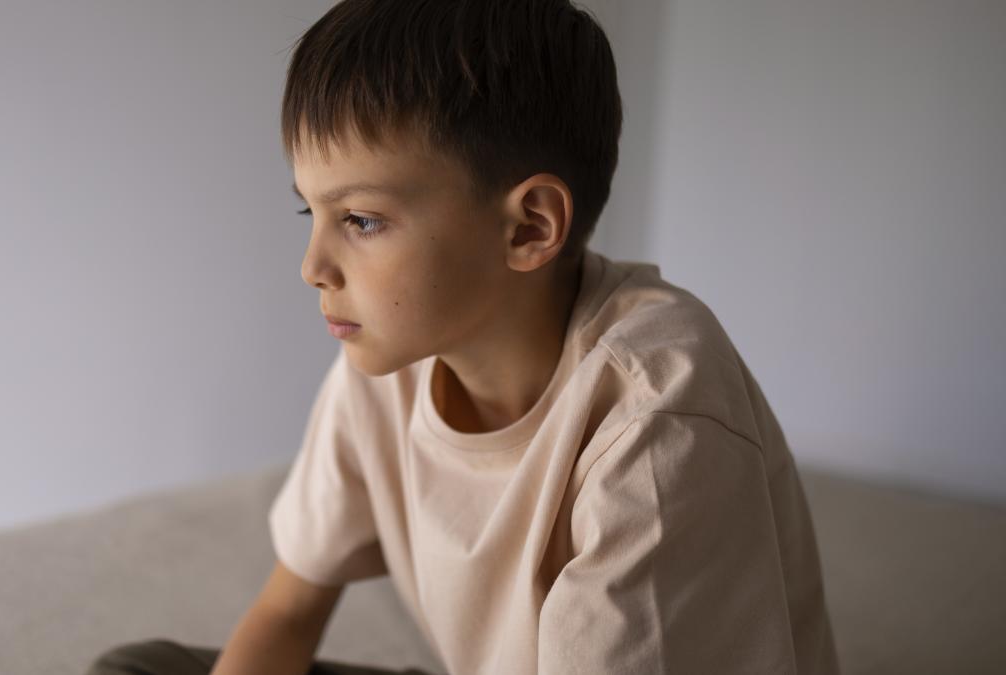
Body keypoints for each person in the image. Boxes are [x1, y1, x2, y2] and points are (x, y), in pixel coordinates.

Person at [88, 0, 841, 673]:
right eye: (308, 214)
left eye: (361, 220)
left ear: (529, 226)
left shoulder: (653, 412)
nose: (313, 266)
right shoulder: (381, 367)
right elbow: (288, 612)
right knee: (140, 667)